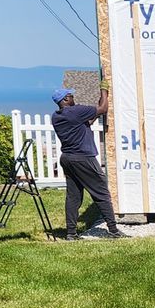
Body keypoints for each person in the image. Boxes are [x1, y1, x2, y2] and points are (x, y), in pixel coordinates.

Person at [51, 86, 126, 240]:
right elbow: (103, 108)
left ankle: (71, 233)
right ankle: (113, 230)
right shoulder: (76, 111)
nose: (74, 98)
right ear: (65, 99)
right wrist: (104, 91)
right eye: (71, 96)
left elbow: (88, 121)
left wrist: (99, 105)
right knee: (101, 193)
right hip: (84, 158)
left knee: (73, 197)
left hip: (67, 158)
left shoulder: (56, 117)